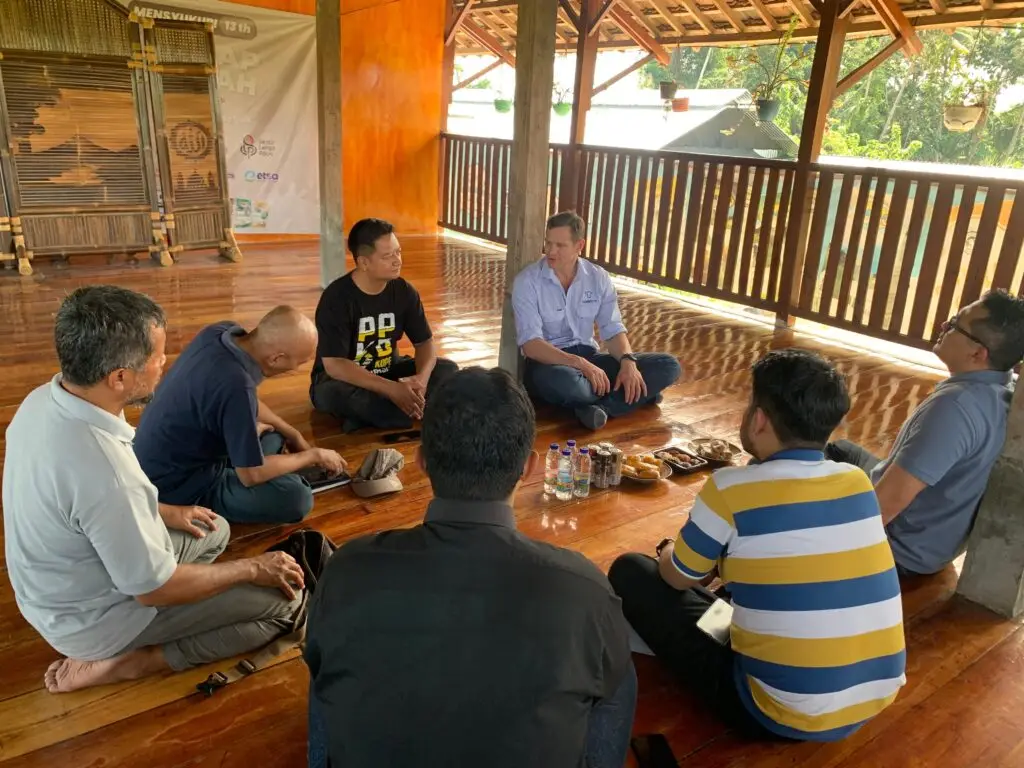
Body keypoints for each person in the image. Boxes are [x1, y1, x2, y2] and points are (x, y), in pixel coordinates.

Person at [305, 367, 635, 768]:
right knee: (618, 679)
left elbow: (322, 661)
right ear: (528, 468)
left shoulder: (347, 568)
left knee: (324, 672)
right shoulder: (584, 589)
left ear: (422, 461)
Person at [2, 286, 307, 694]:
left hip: (55, 593)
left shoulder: (41, 401)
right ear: (120, 377)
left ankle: (150, 625)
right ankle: (135, 661)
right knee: (286, 608)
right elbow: (153, 590)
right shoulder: (106, 472)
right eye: (157, 357)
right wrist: (254, 567)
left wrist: (164, 512)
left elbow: (79, 508)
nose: (165, 363)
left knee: (214, 528)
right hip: (93, 622)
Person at [610, 350, 906, 742]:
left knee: (632, 570)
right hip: (875, 696)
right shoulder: (857, 481)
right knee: (735, 595)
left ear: (760, 419)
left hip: (776, 711)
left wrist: (668, 555)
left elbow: (676, 578)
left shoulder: (731, 488)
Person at [826, 290, 1024, 576]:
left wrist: (822, 549)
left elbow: (886, 505)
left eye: (956, 324)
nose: (945, 325)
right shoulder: (1000, 391)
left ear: (977, 353)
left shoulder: (956, 408)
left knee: (792, 470)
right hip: (933, 540)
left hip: (899, 549)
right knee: (839, 451)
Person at [134, 306, 345, 525]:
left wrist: (293, 434)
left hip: (161, 454)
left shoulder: (221, 332)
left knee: (275, 434)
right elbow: (251, 475)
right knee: (297, 497)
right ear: (276, 359)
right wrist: (312, 456)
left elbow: (242, 399)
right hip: (177, 485)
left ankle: (251, 456)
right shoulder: (237, 386)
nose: (298, 368)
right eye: (299, 362)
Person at [512, 210, 681, 431]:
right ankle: (636, 395)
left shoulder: (597, 277)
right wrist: (581, 364)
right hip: (550, 365)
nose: (550, 251)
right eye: (548, 243)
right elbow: (531, 345)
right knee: (571, 385)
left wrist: (628, 362)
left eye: (560, 245)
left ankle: (601, 408)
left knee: (668, 366)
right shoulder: (527, 282)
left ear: (579, 245)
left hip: (591, 358)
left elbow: (612, 329)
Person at [310, 217, 458, 432]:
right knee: (339, 396)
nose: (397, 260)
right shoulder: (336, 298)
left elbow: (425, 343)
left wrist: (421, 381)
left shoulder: (404, 292)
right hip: (345, 380)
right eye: (388, 256)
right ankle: (409, 410)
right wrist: (391, 389)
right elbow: (335, 365)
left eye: (398, 252)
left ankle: (377, 417)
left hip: (388, 370)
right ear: (363, 262)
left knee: (448, 370)